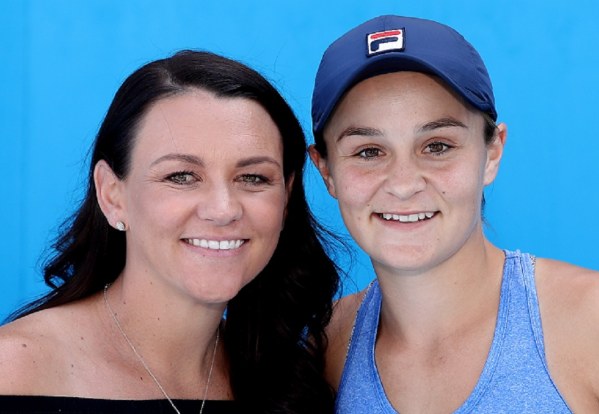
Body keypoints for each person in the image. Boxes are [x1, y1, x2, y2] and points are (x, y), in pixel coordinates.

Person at [0, 49, 342, 413]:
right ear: (112, 195)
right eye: (181, 176)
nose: (223, 209)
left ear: (286, 198)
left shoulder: (291, 381)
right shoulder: (15, 369)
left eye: (253, 177)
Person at [308, 14, 599, 413]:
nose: (403, 184)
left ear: (492, 152)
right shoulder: (326, 348)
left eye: (437, 146)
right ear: (327, 170)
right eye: (369, 152)